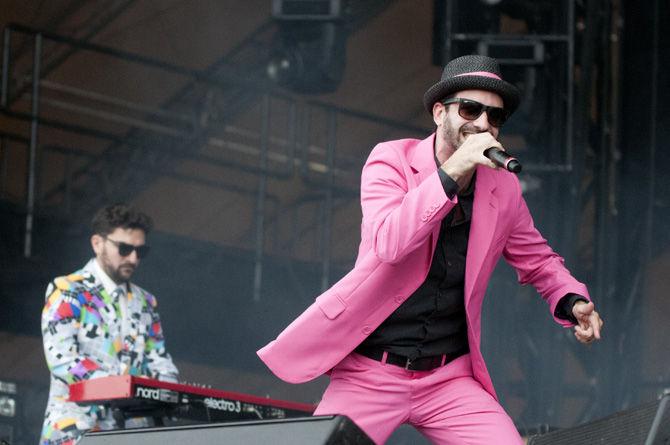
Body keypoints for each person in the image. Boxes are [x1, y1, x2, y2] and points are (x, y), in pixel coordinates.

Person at [258, 55, 604, 444]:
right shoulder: (390, 161)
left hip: (447, 378)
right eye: (471, 109)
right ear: (440, 113)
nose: (483, 124)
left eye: (495, 117)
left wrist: (572, 299)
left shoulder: (501, 188)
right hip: (371, 371)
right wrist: (454, 171)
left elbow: (539, 260)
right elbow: (388, 243)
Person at [40, 203, 179, 445]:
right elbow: (62, 360)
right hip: (75, 430)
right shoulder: (67, 290)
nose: (133, 258)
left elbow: (160, 361)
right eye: (124, 248)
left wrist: (170, 391)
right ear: (97, 243)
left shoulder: (146, 302)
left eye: (140, 251)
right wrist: (124, 385)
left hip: (132, 433)